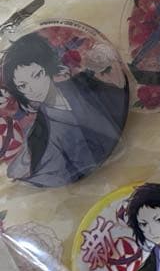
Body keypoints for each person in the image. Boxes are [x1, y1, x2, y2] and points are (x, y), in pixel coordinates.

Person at [1, 32, 128, 187]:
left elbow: (116, 97)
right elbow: (47, 172)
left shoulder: (83, 83)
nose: (33, 89)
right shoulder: (39, 133)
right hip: (99, 181)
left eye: (37, 75)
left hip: (130, 139)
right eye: (23, 86)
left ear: (47, 68)